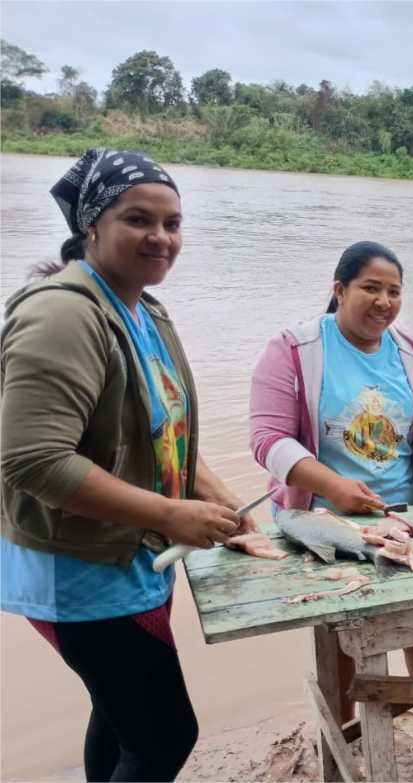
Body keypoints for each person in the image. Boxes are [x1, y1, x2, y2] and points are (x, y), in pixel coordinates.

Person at [1, 149, 259, 781]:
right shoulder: (63, 313)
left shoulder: (141, 307)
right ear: (92, 224)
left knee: (121, 721)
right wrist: (173, 514)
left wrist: (219, 501)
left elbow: (162, 429)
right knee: (166, 735)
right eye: (138, 219)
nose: (161, 237)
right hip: (78, 571)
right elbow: (31, 460)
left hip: (130, 554)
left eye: (173, 223)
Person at [248, 240, 413, 771]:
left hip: (406, 517)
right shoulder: (294, 349)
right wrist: (331, 484)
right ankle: (344, 741)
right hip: (322, 520)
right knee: (339, 644)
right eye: (370, 288)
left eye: (394, 291)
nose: (384, 302)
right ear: (339, 290)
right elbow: (267, 438)